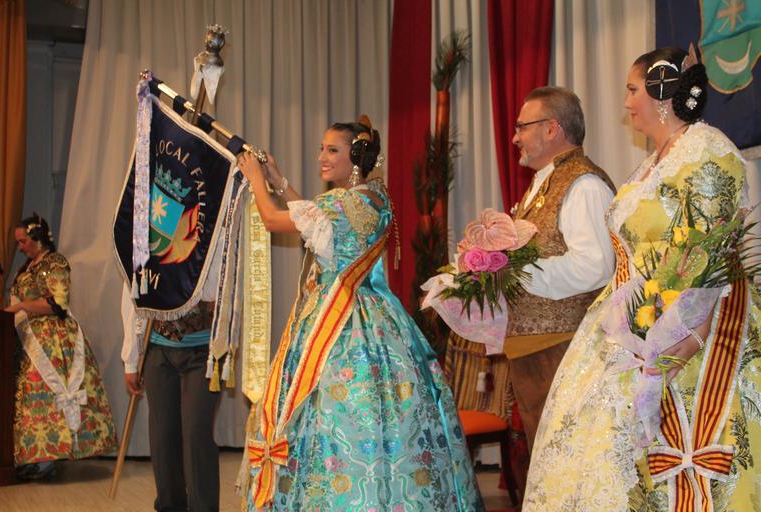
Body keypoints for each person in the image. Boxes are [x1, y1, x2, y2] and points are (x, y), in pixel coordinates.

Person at [523, 47, 761, 511]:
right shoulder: (652, 164)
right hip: (633, 319)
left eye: (633, 90)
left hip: (695, 330)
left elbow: (710, 255)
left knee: (692, 456)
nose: (627, 102)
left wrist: (678, 342)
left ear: (662, 92)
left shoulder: (707, 150)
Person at [235, 116, 484, 511]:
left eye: (332, 150)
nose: (322, 156)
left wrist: (255, 180)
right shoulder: (374, 197)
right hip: (376, 314)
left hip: (336, 321)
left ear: (355, 156)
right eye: (322, 148)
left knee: (328, 412)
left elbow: (274, 220)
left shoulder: (341, 203)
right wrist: (278, 181)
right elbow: (314, 222)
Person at [505, 86, 616, 449]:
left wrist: (509, 270)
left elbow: (596, 266)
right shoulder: (545, 182)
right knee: (545, 458)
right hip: (538, 348)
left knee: (569, 457)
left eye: (522, 127)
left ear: (552, 128)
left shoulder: (584, 183)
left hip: (565, 347)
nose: (515, 137)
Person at [1, 214, 116, 479]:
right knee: (27, 396)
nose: (20, 247)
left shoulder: (56, 263)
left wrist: (21, 306)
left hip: (52, 339)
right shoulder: (26, 268)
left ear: (37, 239)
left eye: (23, 241)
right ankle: (30, 454)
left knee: (45, 392)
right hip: (27, 337)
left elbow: (58, 304)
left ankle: (48, 457)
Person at [121, 263, 221, 512]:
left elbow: (220, 286)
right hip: (158, 349)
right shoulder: (146, 239)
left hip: (204, 351)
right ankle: (170, 505)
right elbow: (133, 288)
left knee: (196, 433)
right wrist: (131, 359)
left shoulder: (211, 237)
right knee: (163, 434)